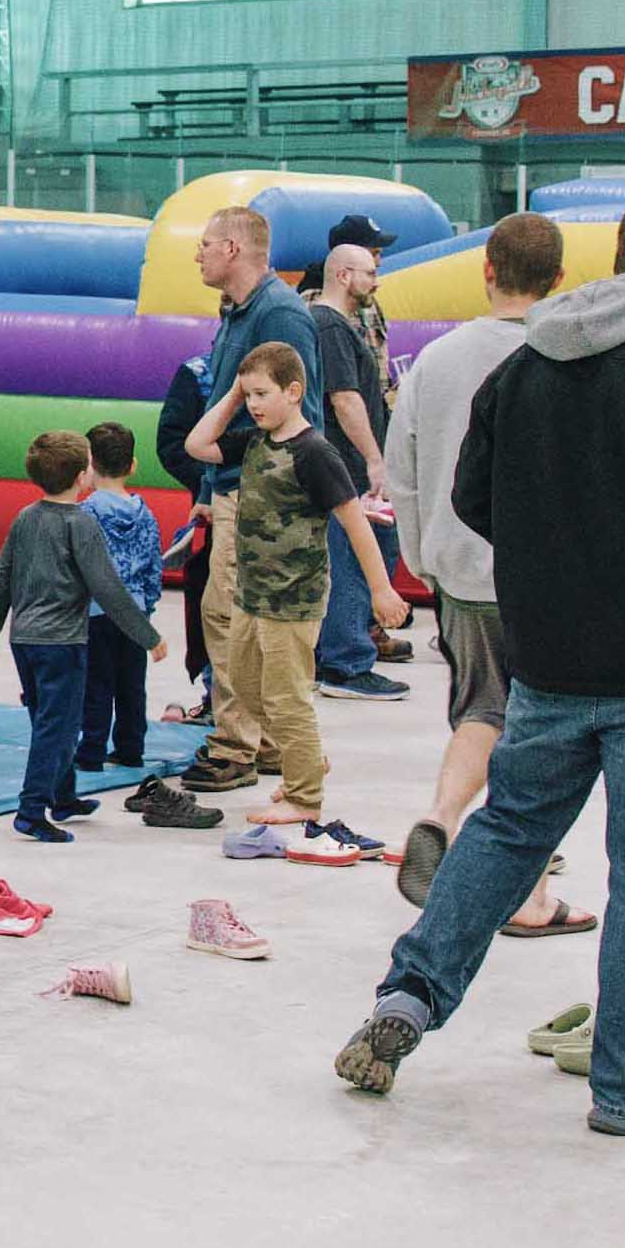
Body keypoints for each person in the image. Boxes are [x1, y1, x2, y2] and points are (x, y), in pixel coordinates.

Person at [332, 191, 625, 1135]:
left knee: (507, 831)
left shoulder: (525, 367)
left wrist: (553, 577)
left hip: (548, 662)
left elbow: (471, 493)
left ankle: (406, 1000)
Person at [380, 212, 594, 938]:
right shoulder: (572, 356)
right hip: (552, 576)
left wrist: (419, 555)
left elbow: (400, 468)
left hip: (460, 570)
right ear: (560, 279)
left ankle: (440, 812)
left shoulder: (435, 361)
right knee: (540, 737)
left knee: (481, 709)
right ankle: (529, 897)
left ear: (486, 270)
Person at [180, 341, 408, 861]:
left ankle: (304, 797)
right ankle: (305, 758)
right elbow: (197, 444)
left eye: (263, 394)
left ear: (294, 392)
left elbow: (355, 522)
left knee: (286, 698)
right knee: (242, 688)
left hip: (293, 600)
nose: (255, 403)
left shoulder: (314, 453)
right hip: (251, 595)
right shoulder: (254, 441)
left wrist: (380, 588)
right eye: (250, 394)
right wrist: (234, 395)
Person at [155, 205, 326, 794]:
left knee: (229, 618)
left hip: (259, 498)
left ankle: (236, 745)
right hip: (230, 491)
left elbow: (302, 416)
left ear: (232, 249)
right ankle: (271, 740)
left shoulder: (279, 314)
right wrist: (207, 492)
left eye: (204, 244)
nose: (197, 254)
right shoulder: (238, 313)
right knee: (235, 619)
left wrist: (257, 495)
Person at [0, 431, 167, 843]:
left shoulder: (25, 517)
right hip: (61, 643)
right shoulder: (80, 524)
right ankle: (31, 810)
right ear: (83, 474)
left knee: (49, 720)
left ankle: (63, 797)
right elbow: (108, 589)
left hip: (25, 640)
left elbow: (1, 578)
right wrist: (147, 635)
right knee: (59, 727)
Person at [305, 234, 412, 702]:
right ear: (344, 275)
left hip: (348, 462)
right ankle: (345, 663)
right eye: (369, 272)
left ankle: (346, 650)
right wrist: (374, 459)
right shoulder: (329, 326)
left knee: (367, 549)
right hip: (345, 464)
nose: (376, 280)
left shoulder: (341, 324)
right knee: (349, 556)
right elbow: (345, 399)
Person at [74, 422, 164, 772]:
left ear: (89, 465)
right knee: (131, 684)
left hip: (96, 614)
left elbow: (80, 565)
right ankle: (130, 746)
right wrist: (147, 607)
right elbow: (154, 565)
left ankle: (92, 749)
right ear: (133, 466)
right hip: (136, 613)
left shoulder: (85, 514)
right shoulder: (146, 515)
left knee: (96, 682)